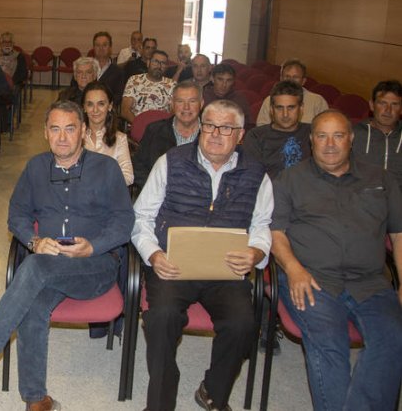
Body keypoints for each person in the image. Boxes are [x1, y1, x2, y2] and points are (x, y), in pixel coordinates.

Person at [0, 100, 134, 411]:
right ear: (45, 132)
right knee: (33, 298)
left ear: (84, 132)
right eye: (55, 129)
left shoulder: (106, 168)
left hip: (95, 266)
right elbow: (17, 214)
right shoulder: (36, 167)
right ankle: (37, 401)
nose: (62, 137)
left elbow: (124, 222)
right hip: (48, 263)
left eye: (70, 129)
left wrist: (94, 245)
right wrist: (34, 241)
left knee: (34, 268)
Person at [132, 99, 273, 411]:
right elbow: (140, 217)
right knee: (162, 317)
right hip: (173, 266)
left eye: (226, 128)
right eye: (209, 125)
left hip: (225, 271)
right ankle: (160, 402)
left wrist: (255, 252)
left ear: (240, 135)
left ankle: (213, 391)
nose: (215, 134)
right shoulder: (171, 161)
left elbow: (262, 224)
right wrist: (154, 255)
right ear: (199, 127)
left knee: (242, 324)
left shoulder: (256, 174)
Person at [271, 110, 402, 411]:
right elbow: (275, 233)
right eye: (321, 136)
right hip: (311, 279)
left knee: (393, 339)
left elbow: (399, 235)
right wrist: (293, 269)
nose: (330, 144)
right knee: (330, 342)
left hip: (371, 282)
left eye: (338, 135)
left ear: (351, 139)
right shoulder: (289, 179)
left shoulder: (380, 179)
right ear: (311, 141)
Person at [132, 81, 202, 190]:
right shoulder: (154, 130)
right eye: (180, 101)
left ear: (201, 104)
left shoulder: (211, 134)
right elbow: (138, 167)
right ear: (172, 104)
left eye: (192, 101)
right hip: (158, 196)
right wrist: (157, 190)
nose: (186, 107)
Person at [243, 80, 311, 179]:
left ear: (301, 108)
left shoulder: (312, 133)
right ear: (271, 110)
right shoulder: (256, 136)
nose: (285, 114)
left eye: (291, 108)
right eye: (279, 108)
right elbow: (251, 177)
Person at [352, 79, 402, 191]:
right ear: (372, 105)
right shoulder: (352, 134)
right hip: (360, 202)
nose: (388, 110)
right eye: (382, 103)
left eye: (395, 104)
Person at [82, 81, 133, 186]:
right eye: (90, 104)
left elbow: (128, 176)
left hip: (107, 196)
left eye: (101, 104)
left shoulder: (120, 138)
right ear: (84, 108)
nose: (95, 110)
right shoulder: (74, 136)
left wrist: (101, 184)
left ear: (109, 106)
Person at [255, 59, 328, 126]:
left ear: (303, 81)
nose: (290, 80)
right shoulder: (270, 100)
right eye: (287, 76)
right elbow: (261, 128)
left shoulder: (317, 101)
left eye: (295, 77)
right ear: (281, 78)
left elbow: (325, 128)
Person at [121, 49, 175, 123]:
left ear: (166, 67)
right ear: (148, 63)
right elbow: (125, 110)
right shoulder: (134, 80)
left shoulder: (172, 84)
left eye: (163, 63)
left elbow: (174, 111)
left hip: (162, 129)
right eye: (156, 61)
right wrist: (139, 126)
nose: (159, 66)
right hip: (137, 124)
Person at [92, 31, 125, 106]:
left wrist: (105, 106)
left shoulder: (118, 72)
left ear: (110, 48)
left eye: (104, 45)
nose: (101, 48)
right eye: (97, 45)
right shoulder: (85, 67)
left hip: (107, 110)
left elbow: (118, 96)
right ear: (93, 48)